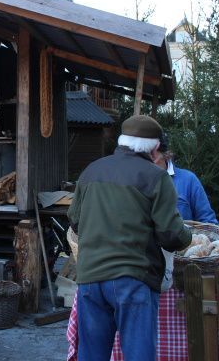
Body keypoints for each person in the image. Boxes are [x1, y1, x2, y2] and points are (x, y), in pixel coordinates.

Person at [67, 115, 191, 361]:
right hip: (132, 280)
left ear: (123, 142)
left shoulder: (92, 170)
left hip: (90, 278)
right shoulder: (157, 178)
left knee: (91, 356)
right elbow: (172, 236)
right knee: (138, 356)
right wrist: (188, 236)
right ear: (155, 148)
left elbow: (76, 222)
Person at [153, 135, 219, 225]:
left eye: (152, 155)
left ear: (164, 153)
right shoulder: (134, 182)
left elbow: (208, 222)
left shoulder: (188, 179)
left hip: (186, 238)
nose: (146, 161)